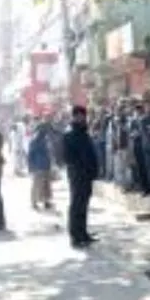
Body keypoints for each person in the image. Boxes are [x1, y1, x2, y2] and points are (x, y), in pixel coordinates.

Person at [63, 106, 99, 249]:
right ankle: (75, 235)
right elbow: (68, 158)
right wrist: (80, 168)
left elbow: (90, 153)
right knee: (76, 205)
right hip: (77, 175)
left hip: (87, 175)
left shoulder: (84, 133)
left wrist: (93, 170)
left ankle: (83, 233)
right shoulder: (69, 135)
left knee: (84, 204)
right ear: (74, 117)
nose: (82, 118)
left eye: (83, 115)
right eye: (79, 116)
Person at [27, 121, 53, 211]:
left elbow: (48, 152)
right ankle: (34, 202)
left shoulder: (45, 139)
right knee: (37, 185)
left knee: (46, 185)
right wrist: (31, 166)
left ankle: (46, 201)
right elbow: (30, 154)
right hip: (38, 166)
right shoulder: (35, 140)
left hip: (45, 165)